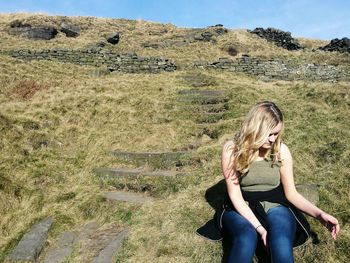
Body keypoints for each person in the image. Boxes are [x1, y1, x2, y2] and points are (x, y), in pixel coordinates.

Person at [221, 101, 340, 263]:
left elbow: (291, 193)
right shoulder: (232, 149)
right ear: (255, 128)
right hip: (242, 205)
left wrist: (320, 215)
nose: (272, 139)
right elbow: (235, 196)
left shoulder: (281, 151)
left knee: (281, 240)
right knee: (245, 237)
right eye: (269, 133)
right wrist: (261, 230)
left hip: (275, 204)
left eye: (276, 134)